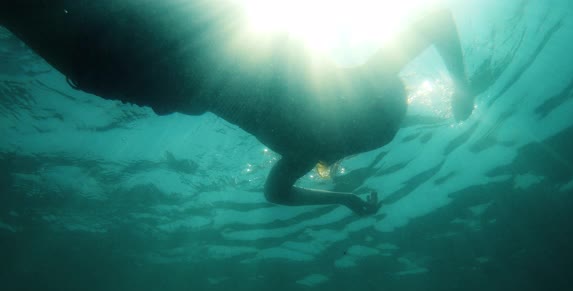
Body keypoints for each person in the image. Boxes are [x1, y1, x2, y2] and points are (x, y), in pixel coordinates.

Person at [1, 1, 474, 215]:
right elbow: (278, 193)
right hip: (151, 70)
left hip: (159, 56)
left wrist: (460, 87)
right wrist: (344, 197)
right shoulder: (312, 147)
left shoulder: (335, 116)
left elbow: (433, 20)